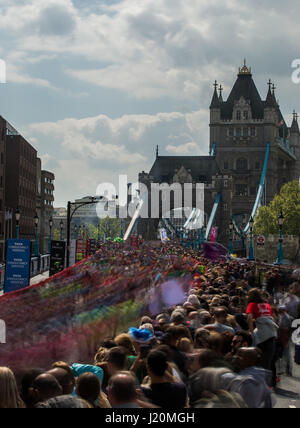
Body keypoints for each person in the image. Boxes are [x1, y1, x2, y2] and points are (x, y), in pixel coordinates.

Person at [246, 288, 278, 383]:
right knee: (268, 360)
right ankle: (269, 382)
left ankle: (257, 381)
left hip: (261, 334)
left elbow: (249, 317)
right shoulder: (267, 305)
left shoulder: (251, 304)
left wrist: (251, 331)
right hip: (271, 333)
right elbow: (275, 318)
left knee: (258, 358)